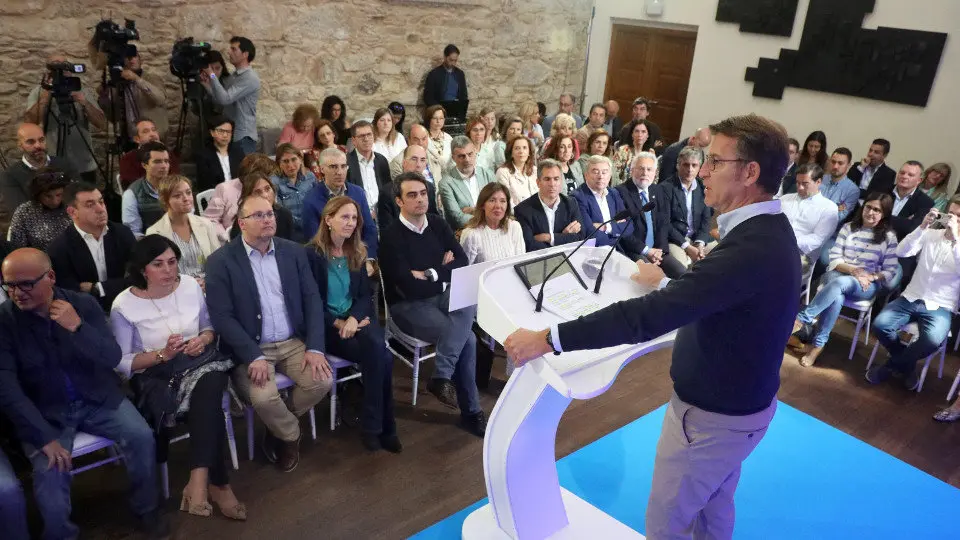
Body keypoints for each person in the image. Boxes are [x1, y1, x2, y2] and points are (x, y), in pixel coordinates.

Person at [505, 114, 798, 539]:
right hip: (739, 409)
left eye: (715, 162)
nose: (702, 170)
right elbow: (715, 295)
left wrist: (548, 338)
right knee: (712, 509)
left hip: (712, 418)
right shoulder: (765, 232)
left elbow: (648, 317)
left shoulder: (752, 246)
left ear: (750, 172)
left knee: (667, 524)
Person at [0, 248, 168, 539]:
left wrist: (77, 327)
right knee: (50, 473)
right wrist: (43, 437)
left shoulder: (82, 305)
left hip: (98, 399)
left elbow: (113, 356)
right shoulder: (5, 321)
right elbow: (7, 388)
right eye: (8, 285)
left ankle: (147, 509)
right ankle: (61, 534)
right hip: (47, 413)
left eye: (25, 284)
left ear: (50, 277)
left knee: (141, 436)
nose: (17, 293)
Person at [109, 235, 244, 521]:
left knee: (211, 378)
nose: (169, 270)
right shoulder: (125, 304)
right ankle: (218, 485)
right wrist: (163, 355)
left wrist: (204, 340)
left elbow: (209, 328)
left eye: (172, 262)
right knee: (209, 403)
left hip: (200, 361)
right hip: (158, 375)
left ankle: (198, 481)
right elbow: (122, 363)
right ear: (142, 269)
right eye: (158, 264)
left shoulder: (190, 286)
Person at [206, 196, 334, 472]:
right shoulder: (221, 262)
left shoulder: (293, 252)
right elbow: (221, 317)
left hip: (292, 341)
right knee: (263, 398)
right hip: (251, 348)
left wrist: (315, 347)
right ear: (241, 223)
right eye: (259, 216)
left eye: (270, 214)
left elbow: (312, 299)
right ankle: (290, 435)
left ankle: (276, 426)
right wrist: (252, 355)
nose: (268, 220)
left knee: (322, 382)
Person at [379, 172, 486, 435]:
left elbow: (461, 263)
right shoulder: (391, 237)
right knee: (468, 340)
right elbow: (407, 286)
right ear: (399, 201)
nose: (420, 199)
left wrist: (430, 274)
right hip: (409, 306)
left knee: (468, 295)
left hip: (441, 295)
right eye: (412, 195)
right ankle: (471, 411)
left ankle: (441, 376)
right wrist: (439, 271)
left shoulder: (438, 224)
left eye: (423, 193)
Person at [305, 197, 400, 452]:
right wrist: (339, 322)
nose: (350, 223)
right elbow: (311, 305)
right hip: (329, 328)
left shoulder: (358, 251)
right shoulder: (311, 255)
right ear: (328, 219)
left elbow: (363, 297)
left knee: (378, 353)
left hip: (356, 321)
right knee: (382, 357)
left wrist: (354, 319)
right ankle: (384, 427)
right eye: (344, 217)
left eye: (354, 218)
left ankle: (375, 427)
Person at [789, 193, 899, 366]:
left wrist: (871, 276)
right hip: (840, 274)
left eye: (877, 210)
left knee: (838, 284)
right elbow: (834, 258)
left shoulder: (889, 237)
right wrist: (854, 270)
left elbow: (891, 270)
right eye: (868, 207)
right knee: (837, 293)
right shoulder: (849, 228)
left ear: (884, 214)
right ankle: (818, 345)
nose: (871, 212)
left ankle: (803, 318)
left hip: (865, 285)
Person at [867, 198, 960, 389]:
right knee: (880, 324)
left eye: (959, 217)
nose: (953, 220)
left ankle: (890, 367)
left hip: (940, 305)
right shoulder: (931, 234)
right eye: (951, 214)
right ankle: (907, 366)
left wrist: (956, 239)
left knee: (932, 340)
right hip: (911, 296)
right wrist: (922, 227)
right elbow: (901, 252)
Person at [47, 182, 136, 311]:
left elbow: (139, 277)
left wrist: (96, 288)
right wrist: (117, 285)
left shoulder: (122, 233)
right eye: (90, 205)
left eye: (101, 202)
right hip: (86, 313)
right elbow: (69, 293)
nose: (100, 209)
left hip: (128, 304)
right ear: (72, 212)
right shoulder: (59, 248)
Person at [24, 54, 106, 182]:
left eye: (65, 66)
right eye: (56, 66)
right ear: (49, 71)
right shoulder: (39, 92)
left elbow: (101, 124)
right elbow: (30, 123)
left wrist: (84, 102)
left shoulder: (81, 90)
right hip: (52, 164)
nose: (62, 71)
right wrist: (46, 95)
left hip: (83, 164)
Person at [616, 152, 688, 278]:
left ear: (655, 173)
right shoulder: (620, 192)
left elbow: (663, 224)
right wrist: (647, 251)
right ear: (632, 170)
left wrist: (658, 252)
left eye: (649, 169)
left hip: (658, 252)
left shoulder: (658, 190)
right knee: (655, 280)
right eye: (641, 168)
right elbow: (624, 232)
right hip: (635, 251)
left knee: (683, 275)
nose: (645, 173)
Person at [302, 148, 378, 258]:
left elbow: (369, 229)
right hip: (330, 259)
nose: (339, 172)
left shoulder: (358, 192)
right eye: (333, 167)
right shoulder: (311, 200)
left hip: (359, 255)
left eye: (343, 166)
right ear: (322, 169)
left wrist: (369, 258)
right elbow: (314, 241)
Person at [0, 123, 76, 234]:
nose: (38, 146)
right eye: (30, 142)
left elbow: (78, 196)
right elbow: (20, 212)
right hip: (36, 232)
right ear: (20, 145)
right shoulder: (11, 175)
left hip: (71, 225)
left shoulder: (64, 164)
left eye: (41, 140)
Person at [145, 176, 222, 282]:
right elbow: (157, 272)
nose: (186, 198)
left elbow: (219, 261)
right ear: (166, 201)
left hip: (208, 285)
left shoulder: (205, 224)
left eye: (188, 193)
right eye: (177, 196)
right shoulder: (154, 232)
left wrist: (209, 282)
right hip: (175, 289)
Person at [95, 47, 168, 148]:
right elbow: (113, 117)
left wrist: (137, 79)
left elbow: (160, 99)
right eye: (127, 57)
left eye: (134, 56)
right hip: (131, 139)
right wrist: (104, 97)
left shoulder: (151, 78)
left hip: (153, 137)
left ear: (140, 59)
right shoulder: (120, 84)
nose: (131, 60)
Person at [200, 37, 261, 156]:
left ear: (245, 54)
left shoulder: (249, 77)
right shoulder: (235, 76)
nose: (229, 52)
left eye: (234, 49)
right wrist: (206, 84)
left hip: (243, 137)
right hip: (233, 135)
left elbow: (225, 99)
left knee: (244, 173)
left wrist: (211, 74)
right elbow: (220, 99)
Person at [779, 164, 838, 274]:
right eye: (798, 183)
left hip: (802, 255)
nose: (800, 187)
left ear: (818, 182)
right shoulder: (784, 199)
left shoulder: (829, 208)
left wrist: (786, 243)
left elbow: (817, 239)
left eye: (805, 184)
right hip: (775, 246)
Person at [514, 159, 585, 251]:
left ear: (561, 181)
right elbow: (529, 245)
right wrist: (563, 237)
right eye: (547, 179)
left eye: (556, 179)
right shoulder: (523, 210)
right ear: (538, 182)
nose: (552, 184)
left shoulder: (571, 203)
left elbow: (581, 237)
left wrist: (549, 238)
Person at [203, 153, 276, 241]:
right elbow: (210, 220)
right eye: (266, 175)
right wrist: (225, 236)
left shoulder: (267, 189)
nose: (267, 180)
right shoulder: (224, 189)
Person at [665, 147, 715, 268]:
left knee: (723, 256)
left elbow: (706, 219)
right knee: (681, 267)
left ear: (700, 167)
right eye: (686, 165)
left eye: (694, 165)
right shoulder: (666, 188)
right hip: (676, 240)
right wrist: (687, 247)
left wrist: (699, 243)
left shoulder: (703, 187)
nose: (690, 169)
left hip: (699, 238)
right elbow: (665, 224)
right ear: (678, 165)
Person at [439, 136, 496, 230]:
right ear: (453, 158)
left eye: (470, 154)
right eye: (461, 156)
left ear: (475, 152)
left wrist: (474, 211)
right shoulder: (446, 183)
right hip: (464, 233)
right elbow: (458, 219)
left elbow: (499, 206)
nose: (467, 159)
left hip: (493, 230)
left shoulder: (488, 175)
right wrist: (489, 216)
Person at [380, 144, 440, 234]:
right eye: (414, 159)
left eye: (422, 160)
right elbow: (386, 230)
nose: (418, 165)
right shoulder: (387, 192)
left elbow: (434, 220)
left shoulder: (429, 188)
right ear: (404, 163)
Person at [460, 182, 525, 264]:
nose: (498, 206)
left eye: (503, 201)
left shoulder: (514, 227)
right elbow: (464, 271)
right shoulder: (471, 234)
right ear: (483, 205)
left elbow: (521, 263)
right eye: (492, 200)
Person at [8, 170, 72, 251]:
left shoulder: (73, 203)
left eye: (59, 195)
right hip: (44, 260)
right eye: (48, 196)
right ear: (37, 195)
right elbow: (18, 248)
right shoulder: (25, 212)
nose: (55, 201)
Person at [122, 141, 171, 237]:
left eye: (166, 161)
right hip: (152, 244)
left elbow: (189, 218)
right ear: (144, 165)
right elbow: (133, 232)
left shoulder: (177, 186)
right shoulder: (132, 193)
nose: (164, 166)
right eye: (157, 162)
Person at [228, 172, 295, 241]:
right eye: (257, 192)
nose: (265, 195)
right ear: (248, 197)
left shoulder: (285, 214)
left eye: (267, 189)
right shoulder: (244, 219)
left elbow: (291, 247)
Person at [271, 143, 318, 239]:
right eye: (285, 161)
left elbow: (318, 203)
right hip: (290, 232)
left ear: (300, 159)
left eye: (294, 159)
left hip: (314, 229)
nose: (290, 165)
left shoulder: (310, 177)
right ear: (279, 164)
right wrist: (304, 223)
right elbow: (280, 213)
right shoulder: (273, 182)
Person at [118, 119, 182, 190]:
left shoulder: (167, 153)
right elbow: (132, 185)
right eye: (146, 131)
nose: (152, 134)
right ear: (137, 139)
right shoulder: (128, 158)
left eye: (154, 130)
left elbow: (176, 179)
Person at [194, 116, 245, 191]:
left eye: (228, 132)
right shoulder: (204, 155)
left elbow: (245, 176)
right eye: (221, 131)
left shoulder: (238, 152)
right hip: (216, 196)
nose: (225, 135)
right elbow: (204, 184)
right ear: (212, 133)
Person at [495, 135, 538, 207]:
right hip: (515, 215)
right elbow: (506, 201)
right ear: (511, 153)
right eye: (517, 148)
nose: (521, 151)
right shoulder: (503, 172)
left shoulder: (535, 170)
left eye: (524, 148)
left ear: (529, 152)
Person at [613, 119, 655, 186]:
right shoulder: (623, 150)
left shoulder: (651, 153)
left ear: (648, 135)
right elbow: (614, 174)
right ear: (632, 134)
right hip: (623, 189)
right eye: (637, 131)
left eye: (643, 132)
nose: (640, 135)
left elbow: (654, 178)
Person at [424, 105, 453, 169]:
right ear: (428, 119)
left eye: (441, 118)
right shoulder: (423, 138)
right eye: (434, 118)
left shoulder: (449, 138)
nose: (438, 121)